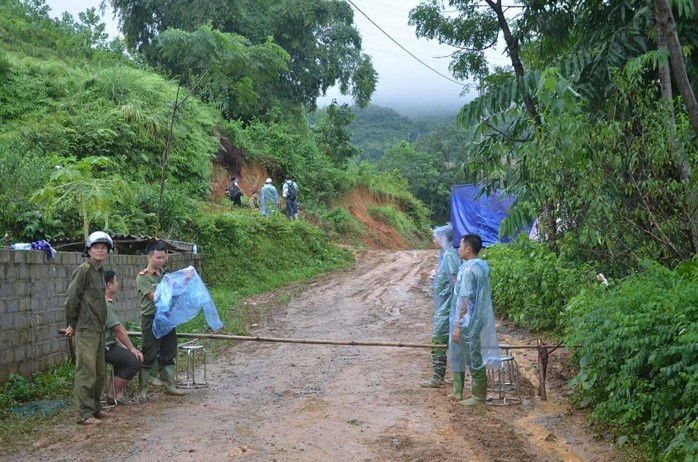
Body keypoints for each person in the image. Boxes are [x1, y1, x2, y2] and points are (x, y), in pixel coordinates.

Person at [64, 231, 113, 425]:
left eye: (104, 247)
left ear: (108, 251)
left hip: (98, 329)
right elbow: (71, 299)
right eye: (96, 247)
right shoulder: (84, 269)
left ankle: (95, 408)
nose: (100, 250)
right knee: (86, 371)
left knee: (99, 372)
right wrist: (71, 324)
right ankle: (84, 414)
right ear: (89, 250)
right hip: (85, 329)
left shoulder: (100, 271)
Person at [449, 234, 501, 405]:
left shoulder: (470, 270)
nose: (458, 249)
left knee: (472, 353)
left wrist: (458, 324)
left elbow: (464, 299)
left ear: (468, 249)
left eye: (461, 246)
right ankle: (463, 392)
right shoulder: (476, 267)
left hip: (469, 320)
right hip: (474, 317)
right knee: (467, 351)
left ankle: (478, 396)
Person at [136, 241, 185, 398]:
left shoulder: (166, 275)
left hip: (167, 319)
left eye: (163, 257)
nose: (161, 260)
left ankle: (170, 385)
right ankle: (143, 390)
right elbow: (155, 298)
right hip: (151, 318)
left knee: (169, 351)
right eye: (157, 257)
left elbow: (175, 294)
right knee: (149, 353)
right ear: (148, 257)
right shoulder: (143, 277)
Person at [420, 224, 460, 388]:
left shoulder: (450, 255)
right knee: (445, 338)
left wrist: (457, 307)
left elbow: (455, 282)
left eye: (436, 237)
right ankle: (445, 375)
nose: (433, 240)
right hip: (444, 305)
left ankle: (438, 377)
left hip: (448, 306)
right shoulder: (445, 254)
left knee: (439, 337)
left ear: (443, 238)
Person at [103, 269, 143, 405]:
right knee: (134, 360)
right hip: (104, 347)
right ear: (109, 285)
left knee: (123, 357)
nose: (117, 284)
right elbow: (118, 329)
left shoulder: (102, 302)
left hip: (108, 344)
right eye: (116, 281)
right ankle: (115, 393)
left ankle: (113, 392)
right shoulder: (106, 305)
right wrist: (132, 348)